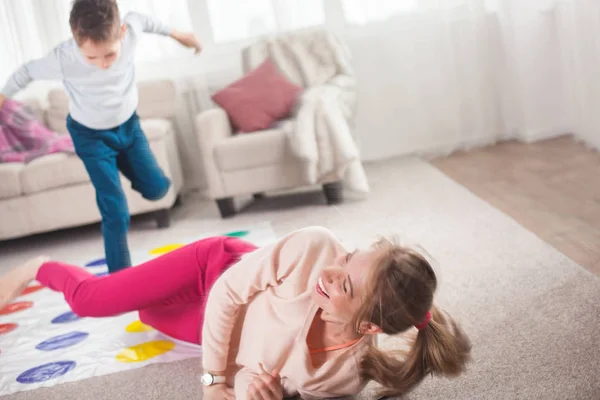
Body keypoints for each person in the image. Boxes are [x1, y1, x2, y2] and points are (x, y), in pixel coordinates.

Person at [0, 226, 471, 399]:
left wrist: (251, 393)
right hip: (218, 270)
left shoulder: (341, 376)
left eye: (344, 282)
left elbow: (256, 374)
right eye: (348, 257)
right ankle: (39, 267)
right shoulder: (315, 247)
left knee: (145, 315)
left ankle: (139, 287)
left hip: (224, 326)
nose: (329, 271)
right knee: (93, 301)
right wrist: (213, 384)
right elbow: (226, 294)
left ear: (367, 325)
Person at [0, 0, 202, 274]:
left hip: (128, 127)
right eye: (91, 58)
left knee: (158, 189)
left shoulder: (131, 30)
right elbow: (25, 73)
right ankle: (120, 276)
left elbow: (149, 21)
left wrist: (180, 35)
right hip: (90, 137)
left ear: (121, 33)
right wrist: (3, 97)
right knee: (115, 209)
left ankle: (126, 167)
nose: (101, 65)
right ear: (76, 40)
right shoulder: (63, 58)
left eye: (109, 55)